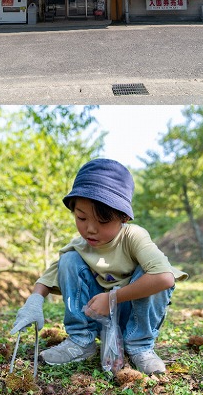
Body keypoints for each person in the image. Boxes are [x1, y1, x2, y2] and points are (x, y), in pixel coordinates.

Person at [10, 158, 186, 375]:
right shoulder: (79, 246)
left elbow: (164, 278)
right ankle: (81, 341)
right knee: (69, 260)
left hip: (131, 314)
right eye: (81, 218)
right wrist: (34, 302)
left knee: (152, 272)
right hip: (97, 315)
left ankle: (140, 347)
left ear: (124, 217)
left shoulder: (133, 237)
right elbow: (47, 279)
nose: (90, 229)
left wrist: (112, 298)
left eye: (102, 222)